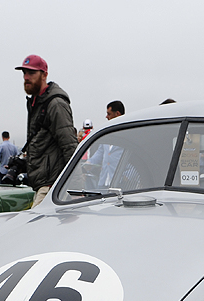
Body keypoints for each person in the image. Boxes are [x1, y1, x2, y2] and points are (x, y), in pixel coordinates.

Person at [16, 54, 77, 206]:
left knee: (34, 227)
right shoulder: (37, 102)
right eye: (24, 73)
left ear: (44, 75)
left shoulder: (55, 104)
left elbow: (69, 146)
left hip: (52, 184)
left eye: (31, 73)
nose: (26, 77)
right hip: (44, 183)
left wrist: (76, 188)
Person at [85, 100, 127, 187]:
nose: (106, 116)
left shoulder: (127, 134)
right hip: (104, 181)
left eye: (109, 113)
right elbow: (100, 153)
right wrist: (89, 163)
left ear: (117, 114)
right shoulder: (107, 134)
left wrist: (128, 176)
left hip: (120, 182)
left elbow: (134, 158)